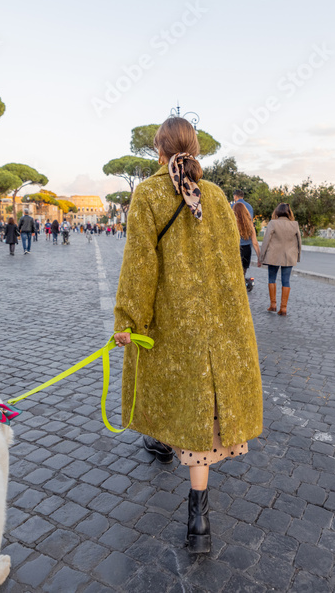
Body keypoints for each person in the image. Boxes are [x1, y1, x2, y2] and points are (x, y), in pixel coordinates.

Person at [112, 116, 262, 554]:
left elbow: (140, 265)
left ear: (157, 149)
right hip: (215, 325)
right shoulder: (215, 196)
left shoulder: (148, 194)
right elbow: (230, 265)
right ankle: (199, 523)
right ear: (196, 148)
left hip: (173, 324)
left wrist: (128, 320)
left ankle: (159, 439)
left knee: (168, 391)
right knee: (206, 419)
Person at [258, 203, 301, 316]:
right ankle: (284, 308)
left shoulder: (273, 223)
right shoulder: (294, 224)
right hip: (289, 256)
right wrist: (298, 256)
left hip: (273, 255)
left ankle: (273, 305)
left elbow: (266, 240)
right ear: (289, 212)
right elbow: (299, 242)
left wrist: (261, 257)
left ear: (277, 212)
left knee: (272, 278)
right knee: (286, 280)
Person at [233, 201, 260, 291]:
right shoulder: (250, 225)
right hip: (246, 250)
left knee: (233, 274)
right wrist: (259, 258)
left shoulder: (231, 224)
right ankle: (240, 293)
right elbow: (255, 243)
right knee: (242, 275)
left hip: (234, 250)